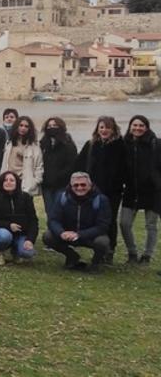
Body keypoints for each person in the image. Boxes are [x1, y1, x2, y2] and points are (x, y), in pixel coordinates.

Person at [75, 116, 126, 264]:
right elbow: (79, 165)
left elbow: (124, 170)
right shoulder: (91, 145)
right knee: (92, 220)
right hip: (91, 191)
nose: (104, 130)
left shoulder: (120, 146)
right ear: (97, 129)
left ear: (113, 129)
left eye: (107, 127)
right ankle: (97, 249)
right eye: (101, 127)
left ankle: (109, 250)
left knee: (109, 221)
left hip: (112, 193)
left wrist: (117, 186)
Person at [43, 172, 112, 273]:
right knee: (48, 236)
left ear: (90, 185)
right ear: (71, 186)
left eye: (83, 185)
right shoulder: (63, 198)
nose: (79, 188)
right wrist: (61, 232)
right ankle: (72, 256)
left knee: (103, 242)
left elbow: (103, 226)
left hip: (90, 236)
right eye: (76, 185)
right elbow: (53, 220)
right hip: (67, 235)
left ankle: (96, 263)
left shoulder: (101, 200)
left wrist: (79, 234)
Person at [119, 115, 160, 265]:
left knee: (151, 225)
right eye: (134, 125)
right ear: (130, 127)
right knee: (124, 223)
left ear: (147, 127)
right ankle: (132, 253)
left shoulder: (156, 143)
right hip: (131, 190)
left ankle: (147, 256)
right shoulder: (124, 143)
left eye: (141, 125)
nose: (137, 128)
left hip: (152, 190)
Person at [0, 171, 39, 266]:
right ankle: (0, 252)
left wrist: (30, 239)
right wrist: (8, 225)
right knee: (4, 236)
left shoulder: (26, 197)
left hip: (21, 233)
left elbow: (33, 220)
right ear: (1, 182)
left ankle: (15, 251)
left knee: (27, 253)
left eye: (12, 180)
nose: (8, 182)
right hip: (0, 232)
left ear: (17, 183)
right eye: (5, 180)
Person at [39, 117, 78, 213]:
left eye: (55, 125)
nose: (52, 128)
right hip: (46, 185)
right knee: (49, 210)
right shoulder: (43, 143)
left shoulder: (68, 143)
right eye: (49, 126)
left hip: (62, 184)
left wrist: (59, 176)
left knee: (60, 210)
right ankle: (51, 228)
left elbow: (72, 164)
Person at [0, 116, 43, 196]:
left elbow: (39, 166)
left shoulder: (34, 147)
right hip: (10, 181)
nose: (23, 128)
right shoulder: (9, 144)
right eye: (21, 125)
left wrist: (35, 182)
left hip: (26, 182)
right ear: (16, 126)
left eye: (26, 126)